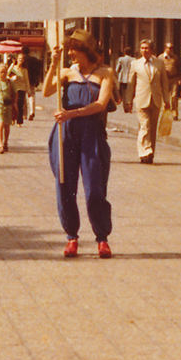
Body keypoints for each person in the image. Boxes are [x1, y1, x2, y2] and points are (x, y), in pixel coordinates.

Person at [43, 29, 116, 259]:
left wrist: (72, 113)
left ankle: (102, 238)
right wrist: (53, 65)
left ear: (86, 50)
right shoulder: (66, 72)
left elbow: (101, 104)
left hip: (92, 133)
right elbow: (46, 91)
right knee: (65, 185)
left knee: (95, 188)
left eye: (74, 49)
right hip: (66, 134)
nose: (70, 53)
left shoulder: (105, 73)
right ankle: (71, 237)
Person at [127, 39, 170, 164]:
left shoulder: (159, 63)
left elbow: (165, 84)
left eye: (146, 48)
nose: (144, 51)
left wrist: (167, 100)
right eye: (142, 48)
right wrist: (128, 101)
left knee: (152, 128)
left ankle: (150, 154)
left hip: (156, 100)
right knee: (145, 125)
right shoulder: (135, 64)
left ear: (152, 50)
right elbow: (131, 84)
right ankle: (144, 151)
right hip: (141, 99)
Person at [7, 52, 30, 127]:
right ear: (17, 59)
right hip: (13, 88)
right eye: (19, 58)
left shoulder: (24, 70)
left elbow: (27, 80)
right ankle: (13, 119)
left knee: (20, 105)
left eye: (22, 59)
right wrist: (12, 65)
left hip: (21, 89)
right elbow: (7, 74)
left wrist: (28, 90)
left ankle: (19, 121)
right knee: (13, 104)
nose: (21, 60)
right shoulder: (13, 68)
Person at [23, 45, 43, 120]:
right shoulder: (34, 60)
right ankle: (32, 112)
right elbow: (38, 70)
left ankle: (24, 113)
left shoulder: (21, 60)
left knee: (23, 97)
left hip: (23, 81)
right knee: (31, 96)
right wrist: (37, 79)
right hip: (31, 80)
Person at [115, 47, 134, 114]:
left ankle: (125, 107)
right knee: (130, 92)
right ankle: (130, 106)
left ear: (124, 52)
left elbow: (117, 69)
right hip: (131, 77)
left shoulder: (121, 59)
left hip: (123, 77)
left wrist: (118, 76)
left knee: (123, 93)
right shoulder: (133, 59)